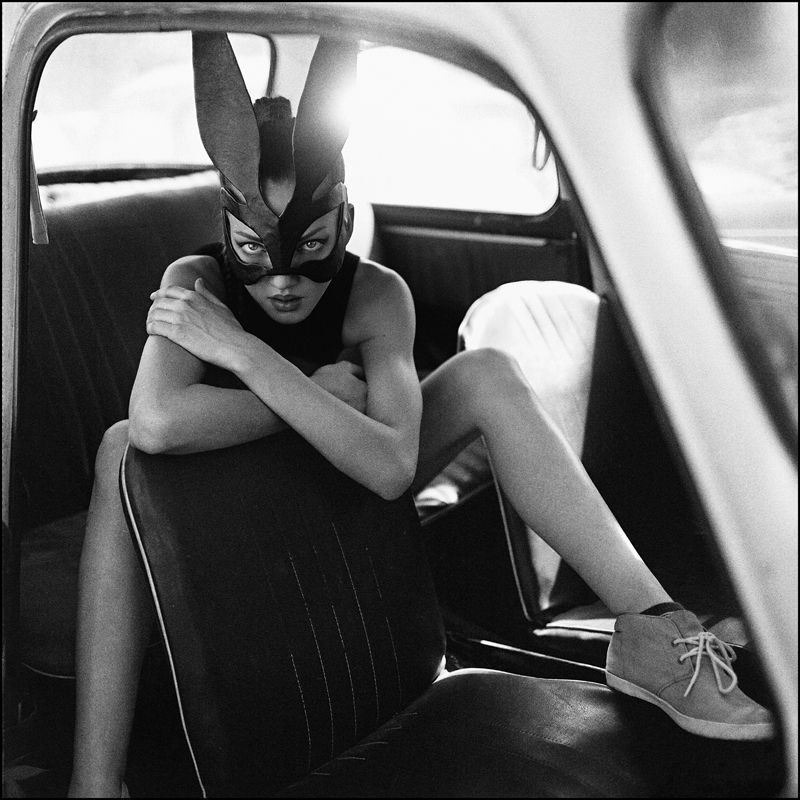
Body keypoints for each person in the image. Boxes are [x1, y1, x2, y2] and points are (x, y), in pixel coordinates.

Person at [67, 32, 772, 799]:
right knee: (120, 451)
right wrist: (318, 394)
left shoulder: (376, 293)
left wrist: (247, 358)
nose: (282, 284)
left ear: (342, 221)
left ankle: (651, 627)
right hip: (236, 494)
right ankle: (93, 783)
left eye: (309, 247)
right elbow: (156, 424)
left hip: (346, 470)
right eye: (255, 252)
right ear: (227, 228)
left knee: (487, 375)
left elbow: (389, 465)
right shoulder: (196, 279)